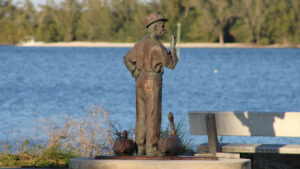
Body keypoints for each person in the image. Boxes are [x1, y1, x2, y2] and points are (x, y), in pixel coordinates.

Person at [123, 12, 178, 156]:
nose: (164, 29)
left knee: (141, 116)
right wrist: (172, 47)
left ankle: (140, 148)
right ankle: (152, 148)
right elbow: (171, 65)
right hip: (153, 82)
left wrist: (135, 72)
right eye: (162, 26)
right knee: (153, 115)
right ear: (154, 28)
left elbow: (127, 59)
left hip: (140, 82)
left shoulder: (140, 44)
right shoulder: (157, 47)